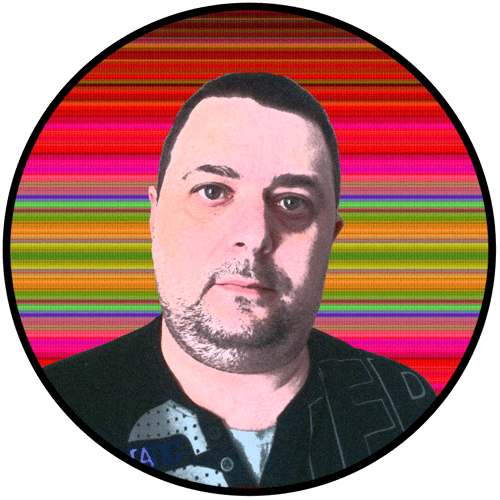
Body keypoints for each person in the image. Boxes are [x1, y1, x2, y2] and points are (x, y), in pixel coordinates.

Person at [44, 73, 436, 488]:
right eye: (213, 191)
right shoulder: (56, 406)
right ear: (154, 218)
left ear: (330, 238)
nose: (254, 235)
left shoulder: (406, 406)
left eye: (292, 202)